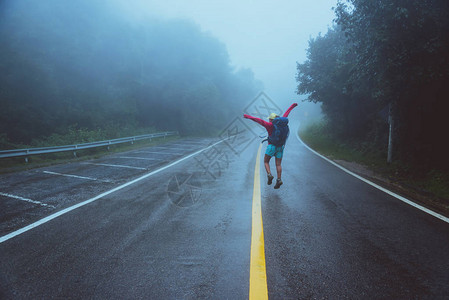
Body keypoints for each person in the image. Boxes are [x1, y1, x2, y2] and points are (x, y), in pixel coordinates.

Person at [243, 103, 298, 189]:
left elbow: (258, 120)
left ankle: (269, 174)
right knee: (278, 164)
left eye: (269, 119)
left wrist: (248, 117)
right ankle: (279, 179)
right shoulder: (282, 124)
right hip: (280, 147)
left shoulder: (269, 125)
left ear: (271, 120)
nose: (269, 121)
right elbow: (287, 113)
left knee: (266, 162)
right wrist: (293, 106)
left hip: (271, 146)